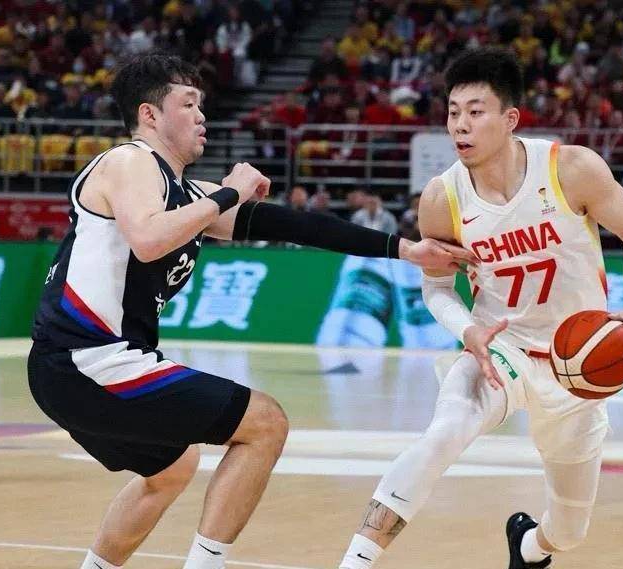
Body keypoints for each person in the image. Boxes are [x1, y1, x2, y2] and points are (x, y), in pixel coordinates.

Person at [27, 53, 474, 569]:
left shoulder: (186, 193)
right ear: (149, 115)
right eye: (188, 104)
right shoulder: (130, 161)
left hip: (80, 367)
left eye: (201, 104)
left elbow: (296, 226)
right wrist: (229, 193)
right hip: (84, 358)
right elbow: (148, 240)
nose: (201, 116)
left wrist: (406, 249)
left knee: (172, 468)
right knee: (264, 423)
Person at [337, 47, 623, 569]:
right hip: (498, 350)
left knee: (568, 532)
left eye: (475, 111)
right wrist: (468, 331)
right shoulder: (441, 197)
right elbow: (437, 289)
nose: (460, 125)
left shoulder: (570, 169)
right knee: (443, 435)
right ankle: (355, 561)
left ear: (510, 119)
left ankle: (529, 548)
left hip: (574, 363)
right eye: (452, 112)